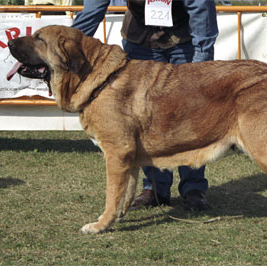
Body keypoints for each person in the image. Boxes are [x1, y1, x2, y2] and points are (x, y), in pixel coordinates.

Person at [72, 0, 218, 210]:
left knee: (191, 115)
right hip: (140, 41)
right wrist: (66, 45)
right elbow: (93, 9)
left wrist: (201, 61)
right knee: (146, 118)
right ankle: (154, 190)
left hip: (185, 39)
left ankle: (193, 188)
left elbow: (200, 7)